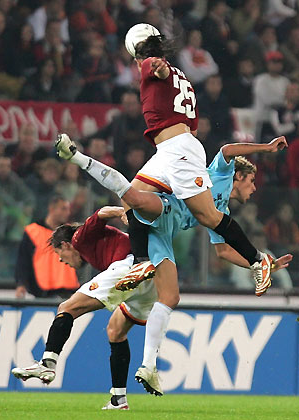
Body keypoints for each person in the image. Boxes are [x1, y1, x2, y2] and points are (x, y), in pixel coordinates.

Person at [54, 22, 287, 394]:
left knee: (208, 215)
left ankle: (257, 258)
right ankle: (141, 260)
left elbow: (155, 68)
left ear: (136, 52)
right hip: (170, 152)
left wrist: (153, 66)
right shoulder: (182, 77)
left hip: (179, 153)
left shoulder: (152, 64)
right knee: (131, 198)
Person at [55, 132, 290, 397]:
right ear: (239, 176)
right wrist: (266, 148)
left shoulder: (220, 211)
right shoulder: (220, 173)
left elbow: (223, 251)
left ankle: (148, 366)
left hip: (164, 233)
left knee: (170, 297)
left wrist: (258, 264)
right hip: (166, 207)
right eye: (252, 181)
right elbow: (228, 148)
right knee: (130, 196)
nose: (255, 187)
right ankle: (76, 157)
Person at [12, 205, 157, 410]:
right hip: (149, 279)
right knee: (115, 331)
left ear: (66, 245)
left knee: (66, 307)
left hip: (129, 267)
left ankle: (47, 364)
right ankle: (118, 399)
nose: (62, 260)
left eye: (59, 253)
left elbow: (102, 212)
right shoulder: (94, 248)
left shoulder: (80, 237)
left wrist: (122, 211)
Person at [15, 195, 79, 298]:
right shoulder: (33, 231)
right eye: (63, 209)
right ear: (51, 209)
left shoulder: (70, 232)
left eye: (68, 209)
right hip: (41, 291)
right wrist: (21, 284)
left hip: (67, 291)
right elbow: (23, 260)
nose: (67, 213)